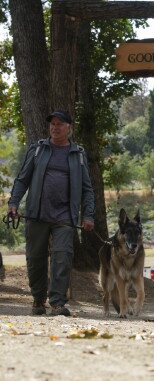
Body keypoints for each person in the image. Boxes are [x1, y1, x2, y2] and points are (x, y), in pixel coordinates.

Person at [7, 109, 95, 316]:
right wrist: (13, 203)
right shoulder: (38, 150)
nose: (55, 127)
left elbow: (87, 189)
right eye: (52, 124)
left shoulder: (78, 154)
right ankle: (38, 300)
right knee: (35, 259)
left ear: (69, 128)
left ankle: (57, 302)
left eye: (59, 124)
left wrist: (88, 215)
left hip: (65, 216)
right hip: (37, 213)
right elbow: (22, 179)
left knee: (62, 257)